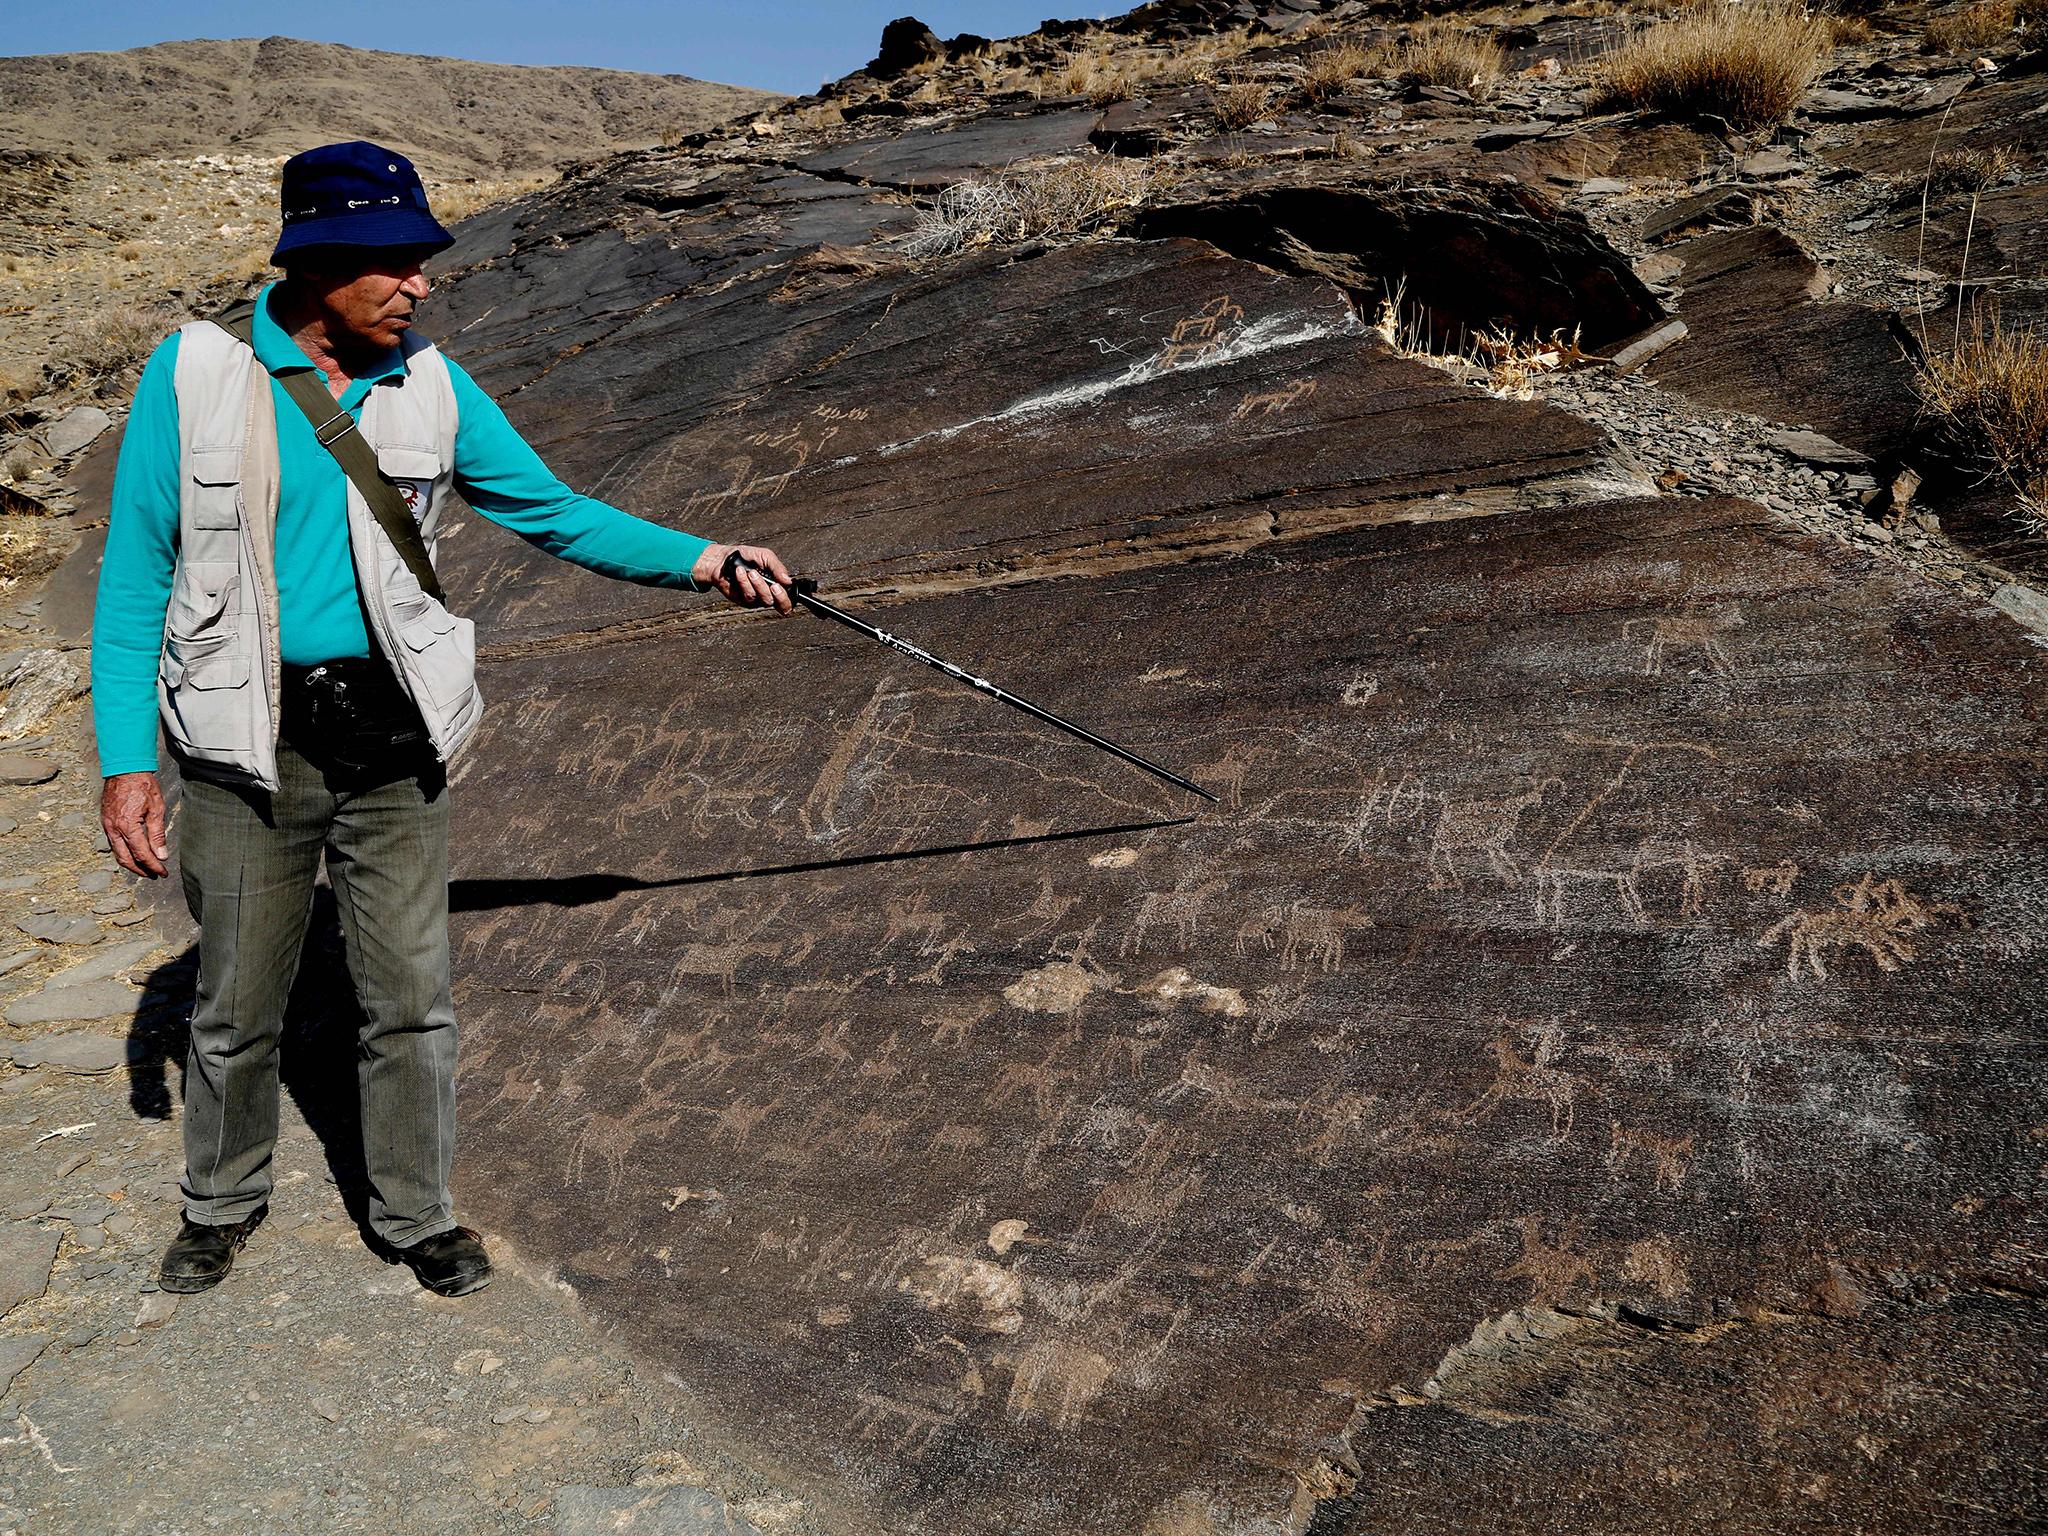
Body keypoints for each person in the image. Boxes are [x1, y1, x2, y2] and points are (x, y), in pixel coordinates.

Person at [92, 141, 795, 1298]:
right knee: (232, 1005)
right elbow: (131, 587)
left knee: (409, 1001)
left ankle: (416, 1214)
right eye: (397, 265)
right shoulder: (192, 376)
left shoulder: (434, 385)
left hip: (393, 744)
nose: (421, 287)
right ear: (317, 263)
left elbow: (555, 513)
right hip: (241, 748)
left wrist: (703, 559)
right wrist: (127, 765)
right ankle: (219, 1203)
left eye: (424, 265)